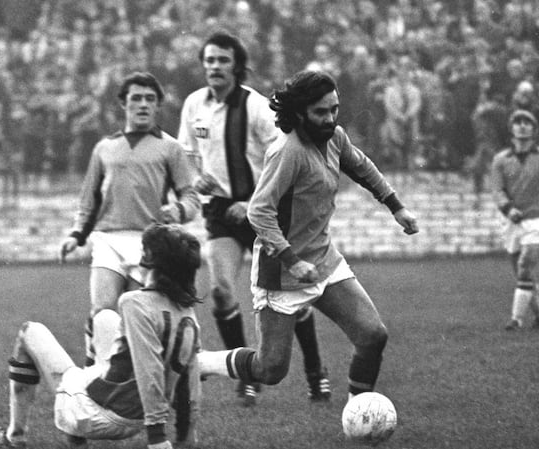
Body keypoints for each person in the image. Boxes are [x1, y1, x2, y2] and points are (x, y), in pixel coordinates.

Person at [197, 70, 419, 401]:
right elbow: (259, 212)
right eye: (320, 112)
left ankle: (358, 412)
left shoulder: (335, 137)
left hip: (323, 261)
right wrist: (292, 260)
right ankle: (201, 362)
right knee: (271, 369)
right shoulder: (287, 151)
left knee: (372, 336)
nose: (330, 118)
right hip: (281, 273)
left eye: (334, 109)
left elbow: (361, 166)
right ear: (300, 112)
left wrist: (396, 206)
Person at [176, 31, 331, 404]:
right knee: (220, 290)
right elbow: (187, 154)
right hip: (221, 213)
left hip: (266, 213)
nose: (215, 67)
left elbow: (284, 156)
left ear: (237, 66)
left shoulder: (256, 107)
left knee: (291, 297)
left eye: (222, 60)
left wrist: (251, 202)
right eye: (209, 60)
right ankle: (247, 377)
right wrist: (197, 179)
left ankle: (315, 373)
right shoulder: (194, 104)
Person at [0, 223, 201, 449]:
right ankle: (76, 432)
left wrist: (157, 438)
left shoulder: (134, 303)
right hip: (136, 417)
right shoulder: (186, 312)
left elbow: (149, 367)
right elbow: (190, 376)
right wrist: (186, 436)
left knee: (29, 331)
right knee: (105, 318)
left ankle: (15, 437)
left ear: (148, 259)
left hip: (101, 415)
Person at [59, 72, 200, 368]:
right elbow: (89, 199)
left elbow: (191, 197)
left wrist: (178, 211)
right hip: (108, 239)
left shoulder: (170, 148)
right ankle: (95, 368)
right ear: (124, 104)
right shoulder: (104, 147)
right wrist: (76, 234)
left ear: (158, 105)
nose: (143, 104)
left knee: (136, 317)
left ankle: (130, 377)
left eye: (150, 99)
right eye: (136, 98)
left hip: (149, 244)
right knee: (102, 310)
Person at [491, 109, 539, 330]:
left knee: (525, 264)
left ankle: (516, 320)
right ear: (511, 128)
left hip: (535, 220)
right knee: (522, 272)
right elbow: (497, 189)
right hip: (512, 222)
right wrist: (508, 209)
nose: (522, 126)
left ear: (533, 129)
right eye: (517, 122)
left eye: (527, 122)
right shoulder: (501, 159)